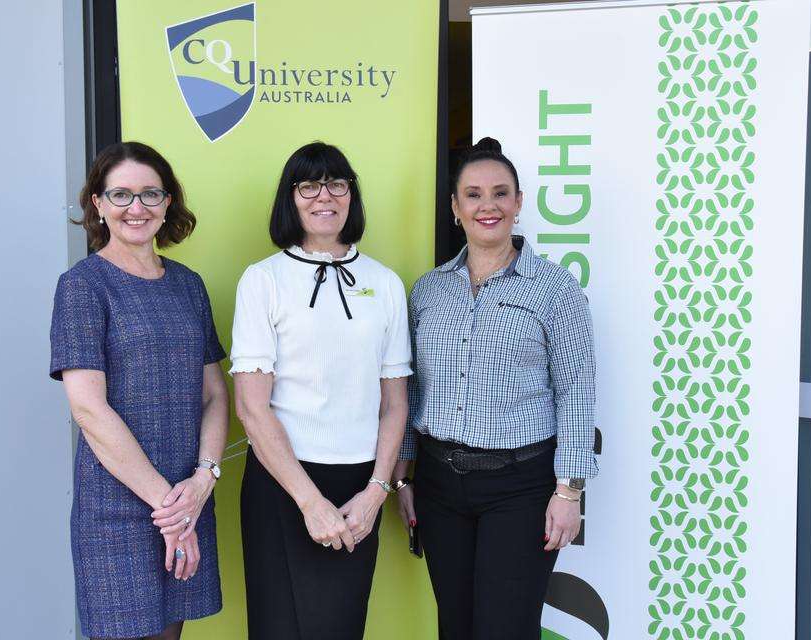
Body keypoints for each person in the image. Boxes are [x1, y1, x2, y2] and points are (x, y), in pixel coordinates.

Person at [393, 137, 598, 639]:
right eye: (474, 194)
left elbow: (576, 391)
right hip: (440, 485)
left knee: (505, 629)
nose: (489, 205)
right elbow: (412, 389)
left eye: (501, 193)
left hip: (521, 488)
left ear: (519, 202)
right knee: (455, 627)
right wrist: (404, 478)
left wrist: (569, 492)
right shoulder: (427, 289)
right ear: (455, 207)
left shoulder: (554, 289)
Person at [231, 141, 411, 639]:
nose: (323, 196)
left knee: (341, 627)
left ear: (351, 195)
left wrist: (376, 492)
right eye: (308, 185)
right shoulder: (262, 280)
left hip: (359, 487)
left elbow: (395, 403)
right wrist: (309, 503)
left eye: (336, 183)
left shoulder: (386, 283)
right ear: (291, 199)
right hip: (282, 484)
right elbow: (251, 407)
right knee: (280, 627)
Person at [50, 141, 228, 640]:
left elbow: (214, 395)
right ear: (98, 205)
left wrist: (201, 483)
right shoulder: (83, 287)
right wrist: (171, 511)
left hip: (189, 493)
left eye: (151, 194)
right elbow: (88, 409)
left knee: (170, 634)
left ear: (168, 203)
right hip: (118, 508)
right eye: (121, 195)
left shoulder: (188, 285)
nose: (137, 208)